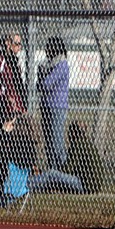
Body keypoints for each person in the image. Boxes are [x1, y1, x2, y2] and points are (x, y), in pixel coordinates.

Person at [37, 36, 70, 171]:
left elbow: (46, 84)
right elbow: (38, 84)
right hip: (45, 105)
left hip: (57, 107)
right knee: (49, 142)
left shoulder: (62, 64)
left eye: (48, 47)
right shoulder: (47, 65)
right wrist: (41, 75)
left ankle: (62, 171)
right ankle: (52, 171)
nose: (46, 50)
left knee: (57, 142)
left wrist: (42, 75)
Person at [0, 32, 27, 136]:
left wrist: (22, 106)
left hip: (16, 109)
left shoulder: (15, 62)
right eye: (17, 44)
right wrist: (6, 98)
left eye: (20, 44)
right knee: (3, 137)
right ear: (8, 44)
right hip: (4, 109)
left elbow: (18, 87)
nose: (20, 47)